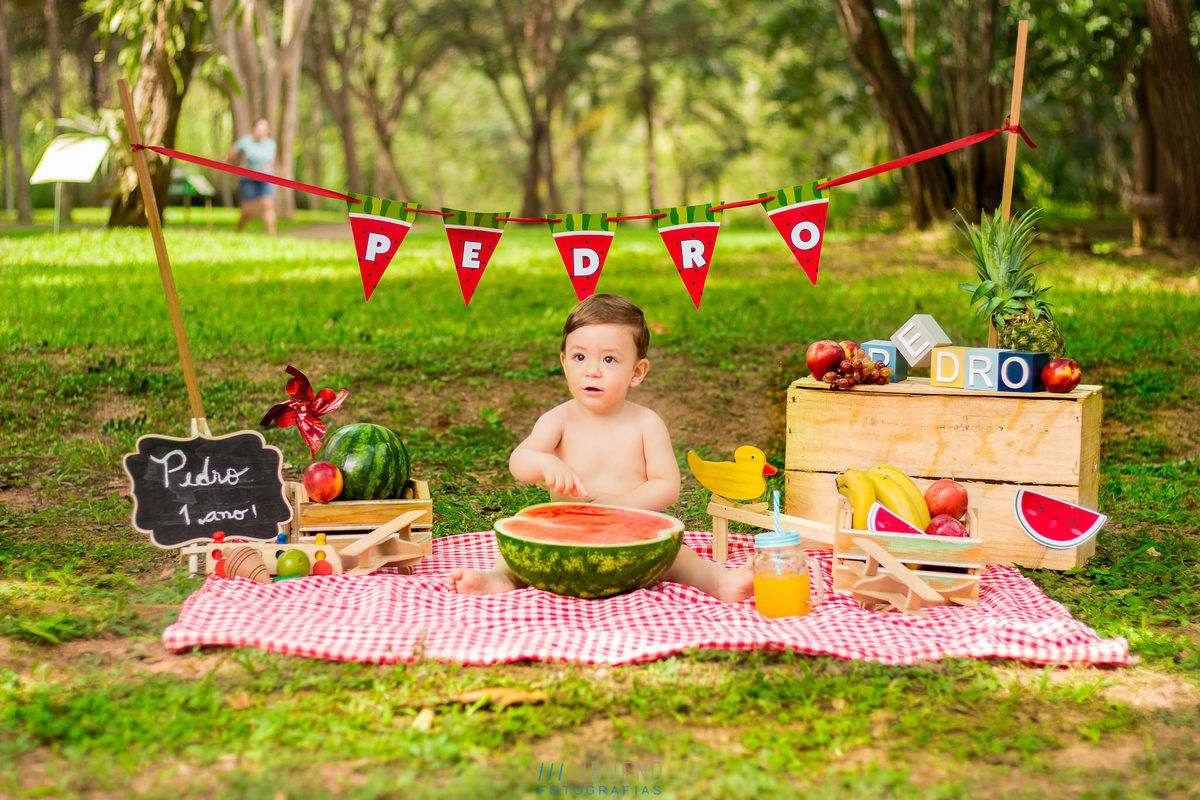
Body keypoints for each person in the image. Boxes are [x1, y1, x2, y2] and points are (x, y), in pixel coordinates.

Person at [450, 293, 753, 602]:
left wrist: (623, 504)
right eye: (579, 357)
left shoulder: (646, 423)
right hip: (567, 533)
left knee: (681, 557)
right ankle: (500, 578)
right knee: (522, 547)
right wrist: (544, 462)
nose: (592, 370)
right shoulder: (559, 419)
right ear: (564, 363)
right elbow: (519, 462)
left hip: (632, 534)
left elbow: (667, 486)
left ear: (636, 372)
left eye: (609, 360)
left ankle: (721, 583)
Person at [227, 118, 277, 235]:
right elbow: (232, 154)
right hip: (248, 179)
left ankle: (272, 235)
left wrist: (268, 166)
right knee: (248, 210)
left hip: (266, 179)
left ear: (267, 131)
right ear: (254, 129)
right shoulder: (245, 142)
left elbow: (272, 159)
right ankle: (238, 230)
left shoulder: (270, 144)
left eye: (264, 129)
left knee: (268, 205)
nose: (261, 132)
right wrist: (237, 166)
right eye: (259, 129)